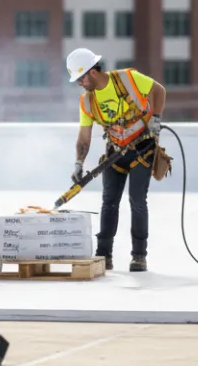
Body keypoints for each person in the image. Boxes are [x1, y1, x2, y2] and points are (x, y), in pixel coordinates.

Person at [67, 48, 167, 273]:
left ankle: (139, 256)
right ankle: (104, 255)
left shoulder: (128, 79)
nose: (79, 84)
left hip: (142, 148)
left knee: (137, 200)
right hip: (115, 152)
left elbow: (159, 91)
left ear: (92, 72)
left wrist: (156, 120)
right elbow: (84, 136)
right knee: (109, 202)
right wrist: (78, 163)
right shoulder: (87, 102)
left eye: (81, 78)